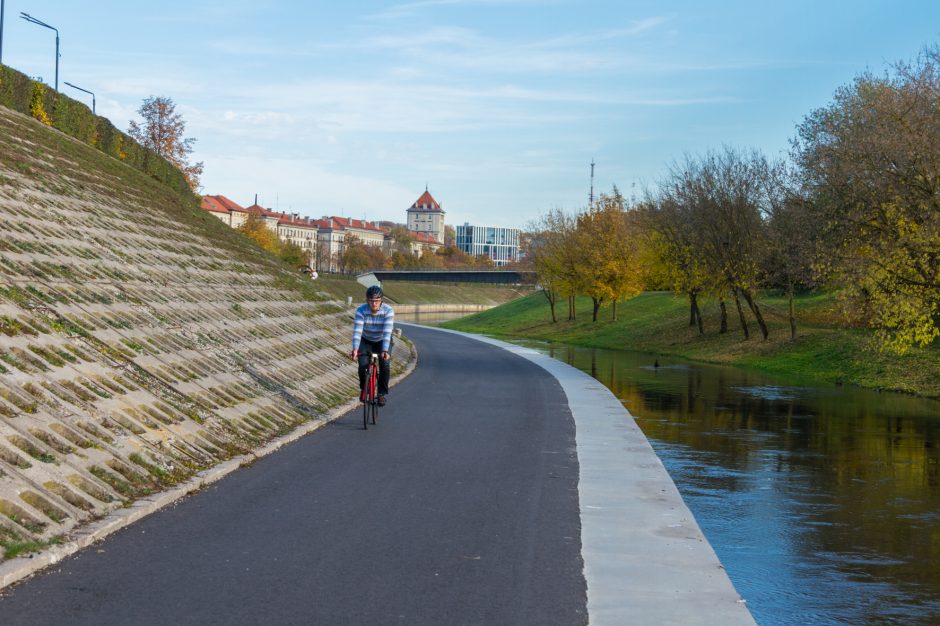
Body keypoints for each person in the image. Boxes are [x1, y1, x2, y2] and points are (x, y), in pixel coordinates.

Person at [350, 285, 394, 406]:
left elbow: (387, 332)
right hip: (366, 339)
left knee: (384, 364)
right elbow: (357, 331)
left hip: (382, 340)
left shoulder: (388, 310)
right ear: (367, 300)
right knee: (362, 366)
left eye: (377, 301)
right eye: (371, 301)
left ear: (381, 301)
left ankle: (381, 394)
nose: (374, 303)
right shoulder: (361, 310)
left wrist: (385, 350)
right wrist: (355, 349)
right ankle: (364, 389)